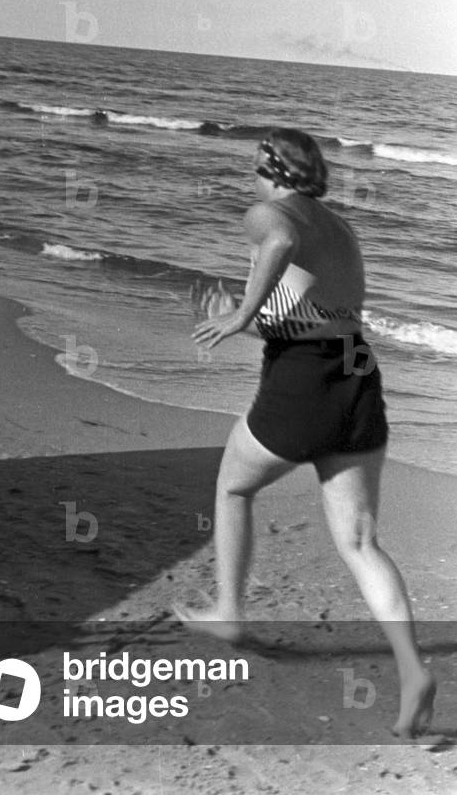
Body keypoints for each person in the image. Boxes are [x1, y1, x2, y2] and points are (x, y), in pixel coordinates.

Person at [174, 127, 436, 740]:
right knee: (361, 539)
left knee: (234, 488)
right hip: (357, 373)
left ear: (269, 166)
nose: (250, 174)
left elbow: (281, 241)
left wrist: (237, 315)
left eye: (254, 164)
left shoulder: (269, 212)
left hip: (307, 379)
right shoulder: (341, 229)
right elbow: (318, 315)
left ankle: (230, 614)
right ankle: (411, 669)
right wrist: (252, 319)